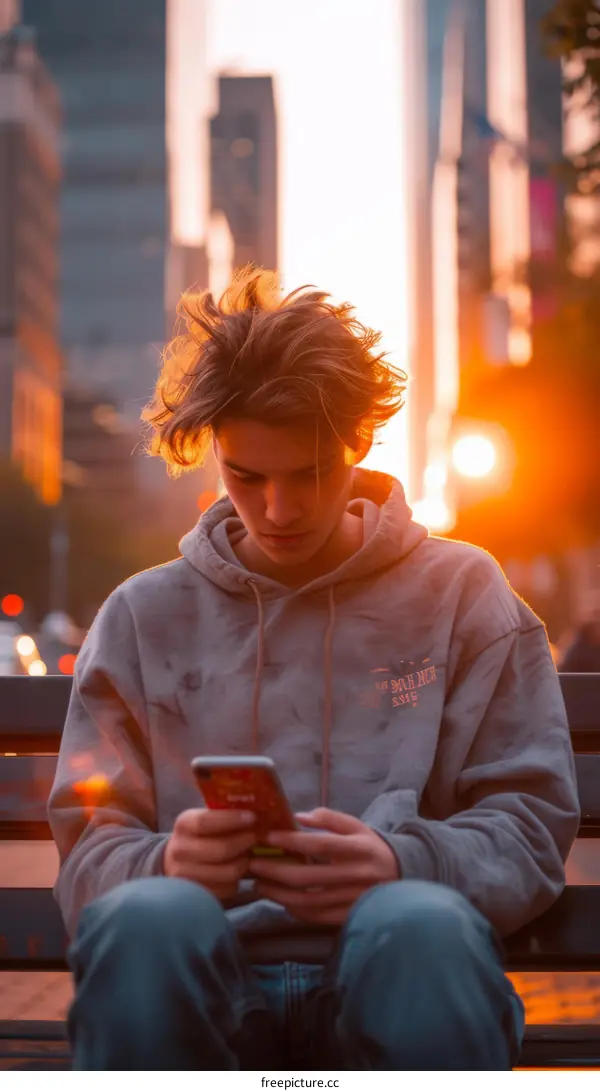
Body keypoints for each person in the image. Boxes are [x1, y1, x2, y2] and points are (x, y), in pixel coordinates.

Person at [49, 270, 580, 1072]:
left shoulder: (464, 594)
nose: (279, 510)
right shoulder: (141, 615)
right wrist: (166, 865)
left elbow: (531, 824)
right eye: (247, 476)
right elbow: (90, 852)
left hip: (395, 970)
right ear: (214, 451)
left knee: (420, 926)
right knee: (147, 923)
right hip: (203, 974)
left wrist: (403, 863)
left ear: (359, 440)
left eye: (312, 473)